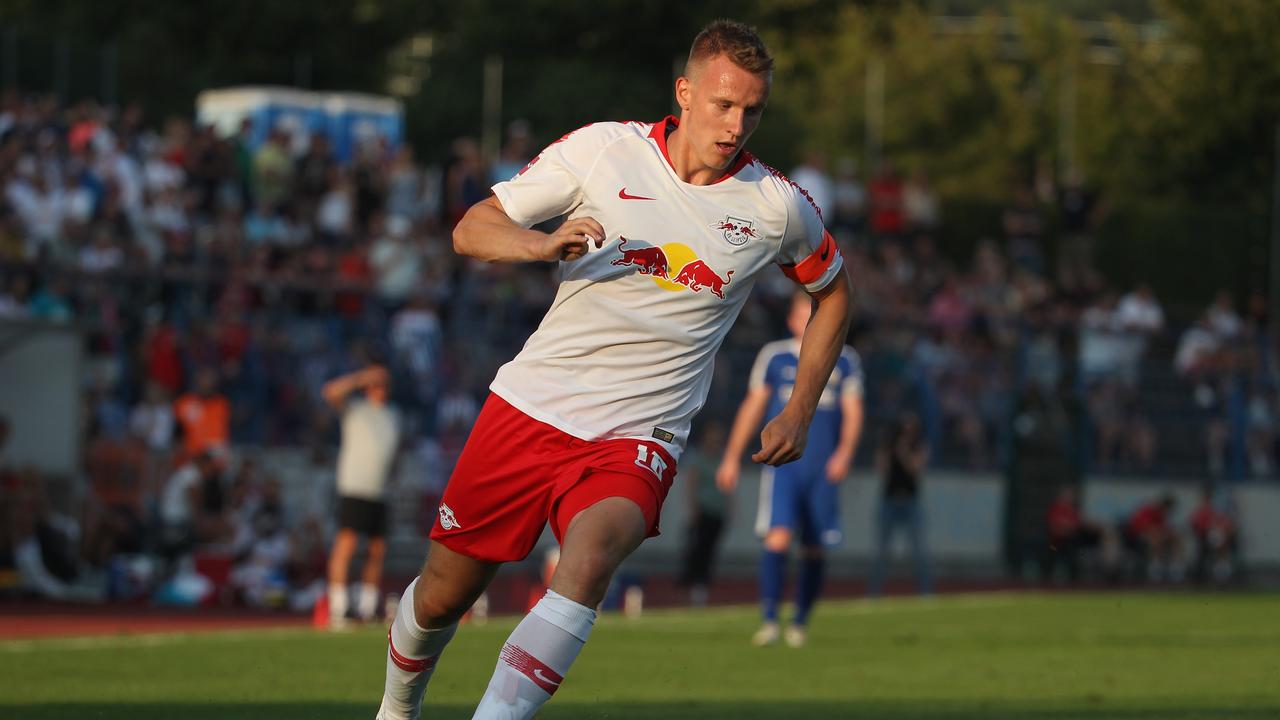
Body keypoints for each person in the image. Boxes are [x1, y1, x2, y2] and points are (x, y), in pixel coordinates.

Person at [375, 20, 852, 720]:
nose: (737, 123)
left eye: (753, 109)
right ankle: (396, 708)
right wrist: (540, 247)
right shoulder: (603, 151)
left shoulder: (776, 206)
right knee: (445, 592)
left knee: (590, 560)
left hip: (640, 434)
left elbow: (834, 292)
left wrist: (801, 407)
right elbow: (472, 226)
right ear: (684, 93)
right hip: (531, 408)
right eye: (723, 104)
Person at [717, 291, 864, 647]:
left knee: (815, 546)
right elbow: (754, 405)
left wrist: (845, 453)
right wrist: (732, 456)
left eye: (815, 315)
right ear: (791, 320)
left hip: (821, 466)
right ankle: (769, 619)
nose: (809, 321)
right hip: (783, 466)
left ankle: (800, 621)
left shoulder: (844, 359)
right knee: (778, 537)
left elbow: (854, 410)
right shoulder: (775, 356)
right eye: (803, 315)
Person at [322, 364, 400, 628]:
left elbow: (395, 453)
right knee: (347, 545)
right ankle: (339, 607)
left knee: (377, 550)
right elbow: (330, 391)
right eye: (376, 383)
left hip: (380, 492)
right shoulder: (356, 409)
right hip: (355, 488)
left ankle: (366, 608)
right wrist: (359, 377)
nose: (380, 388)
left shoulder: (393, 415)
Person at [867, 412, 933, 596]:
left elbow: (916, 469)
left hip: (910, 502)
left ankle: (926, 592)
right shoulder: (888, 445)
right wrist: (887, 449)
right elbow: (881, 468)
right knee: (881, 553)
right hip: (889, 501)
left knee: (920, 552)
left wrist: (903, 451)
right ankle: (874, 594)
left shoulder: (920, 445)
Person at [677, 421, 730, 607]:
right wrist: (693, 508)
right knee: (696, 550)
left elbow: (727, 486)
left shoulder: (723, 457)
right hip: (702, 510)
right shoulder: (697, 456)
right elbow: (692, 482)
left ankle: (702, 589)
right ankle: (690, 588)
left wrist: (730, 508)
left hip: (717, 511)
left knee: (710, 551)